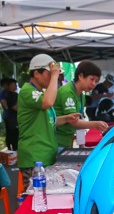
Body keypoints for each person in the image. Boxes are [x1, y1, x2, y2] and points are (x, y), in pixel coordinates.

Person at [16, 54, 79, 189]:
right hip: (35, 157)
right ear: (36, 73)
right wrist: (55, 76)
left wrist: (66, 119)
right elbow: (48, 102)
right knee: (36, 198)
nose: (52, 77)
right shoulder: (27, 91)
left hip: (45, 155)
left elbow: (48, 122)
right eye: (49, 73)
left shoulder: (39, 94)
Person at [54, 60, 109, 148]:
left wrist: (82, 146)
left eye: (96, 81)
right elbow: (74, 122)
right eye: (92, 79)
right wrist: (95, 124)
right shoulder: (67, 92)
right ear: (80, 76)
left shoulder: (81, 95)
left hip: (66, 141)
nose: (93, 84)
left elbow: (78, 121)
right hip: (56, 142)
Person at [0, 77, 19, 150]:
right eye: (14, 84)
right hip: (12, 119)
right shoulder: (10, 95)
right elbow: (12, 106)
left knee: (10, 135)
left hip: (10, 118)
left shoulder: (11, 94)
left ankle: (11, 149)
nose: (16, 86)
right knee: (13, 136)